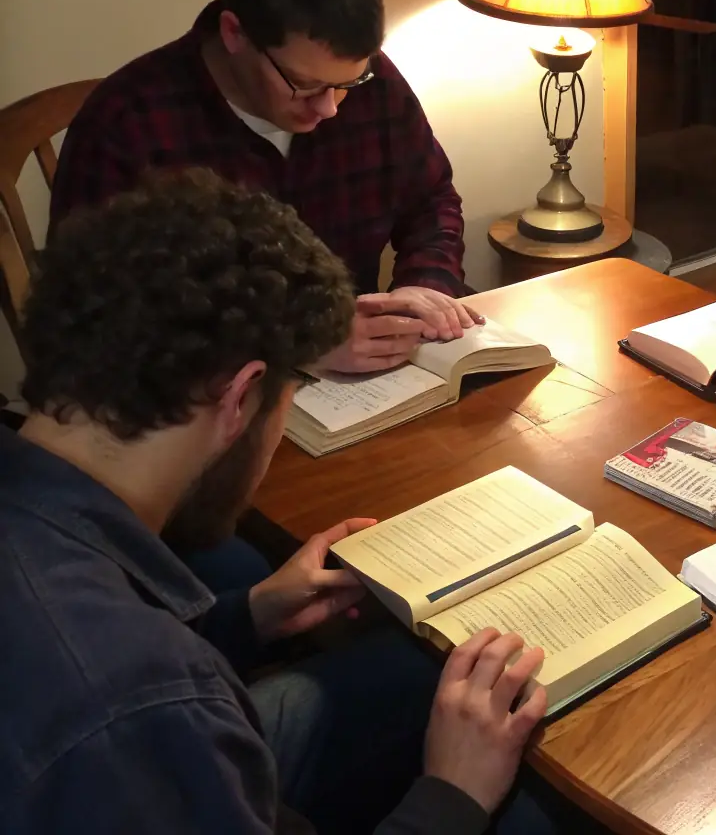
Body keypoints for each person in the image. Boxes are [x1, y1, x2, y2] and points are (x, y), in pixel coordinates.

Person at [0, 170, 547, 834]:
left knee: (418, 670)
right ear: (241, 398)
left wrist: (244, 618)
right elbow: (129, 703)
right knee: (532, 810)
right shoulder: (139, 707)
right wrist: (453, 795)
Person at [50, 0, 475, 376]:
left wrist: (421, 288)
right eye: (305, 85)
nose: (330, 108)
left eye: (347, 83)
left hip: (357, 391)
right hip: (193, 405)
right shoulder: (126, 126)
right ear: (235, 33)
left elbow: (430, 197)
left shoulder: (375, 85)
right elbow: (95, 324)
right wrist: (295, 346)